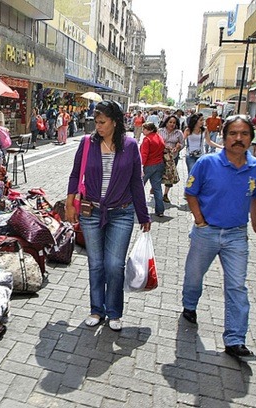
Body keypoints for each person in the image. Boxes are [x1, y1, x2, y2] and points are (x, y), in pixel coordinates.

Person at [182, 114, 256, 360]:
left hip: (236, 236)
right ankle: (189, 305)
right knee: (194, 276)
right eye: (233, 133)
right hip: (206, 233)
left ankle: (235, 339)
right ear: (224, 135)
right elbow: (190, 193)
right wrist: (200, 221)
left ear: (251, 138)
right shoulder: (207, 163)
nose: (238, 139)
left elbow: (255, 197)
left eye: (244, 134)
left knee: (237, 286)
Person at [65, 100, 151, 332]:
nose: (98, 126)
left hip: (122, 213)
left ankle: (114, 312)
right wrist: (69, 203)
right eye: (96, 122)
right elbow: (75, 175)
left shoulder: (130, 145)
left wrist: (143, 215)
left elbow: (136, 182)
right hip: (90, 212)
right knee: (96, 264)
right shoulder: (87, 144)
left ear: (115, 122)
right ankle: (96, 309)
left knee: (114, 265)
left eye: (102, 122)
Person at [140, 122, 165, 217]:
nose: (143, 131)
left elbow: (144, 154)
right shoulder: (159, 137)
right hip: (159, 164)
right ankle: (160, 210)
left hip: (149, 165)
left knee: (139, 186)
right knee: (157, 188)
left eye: (144, 129)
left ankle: (136, 207)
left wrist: (141, 165)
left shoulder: (147, 139)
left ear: (150, 130)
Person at [158, 114, 184, 203]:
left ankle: (165, 194)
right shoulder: (160, 131)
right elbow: (155, 141)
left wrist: (177, 147)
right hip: (160, 155)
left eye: (174, 123)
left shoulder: (179, 133)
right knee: (158, 172)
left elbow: (182, 143)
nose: (172, 124)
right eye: (170, 122)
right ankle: (156, 188)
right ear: (166, 123)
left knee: (170, 175)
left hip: (173, 157)